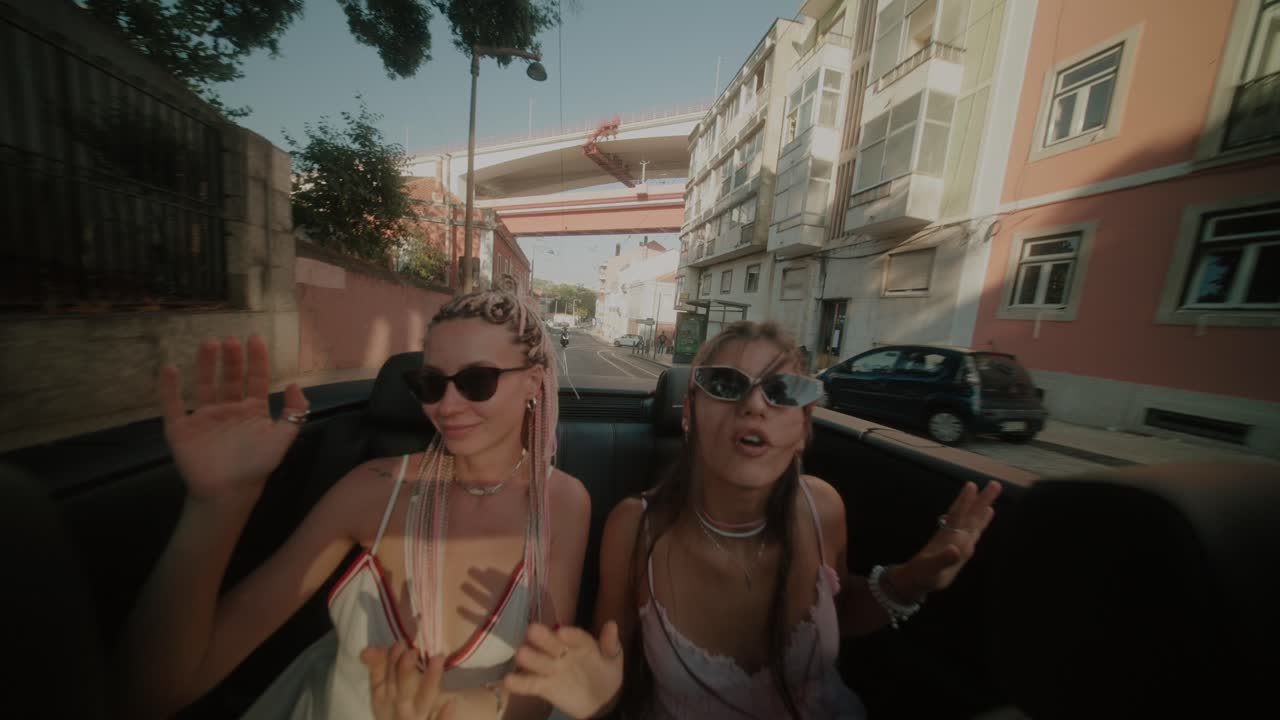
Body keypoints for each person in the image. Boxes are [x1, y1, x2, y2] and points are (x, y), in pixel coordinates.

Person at [119, 290, 591, 720]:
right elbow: (158, 690)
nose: (446, 406)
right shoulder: (373, 489)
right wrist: (217, 504)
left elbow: (540, 688)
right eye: (430, 383)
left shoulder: (561, 502)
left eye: (476, 380)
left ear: (532, 383)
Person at [500, 321, 1001, 719]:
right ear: (690, 414)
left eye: (782, 391)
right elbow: (608, 671)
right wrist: (591, 699)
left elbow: (843, 612)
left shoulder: (822, 507)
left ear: (803, 430)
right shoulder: (635, 527)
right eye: (724, 384)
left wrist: (914, 579)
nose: (755, 403)